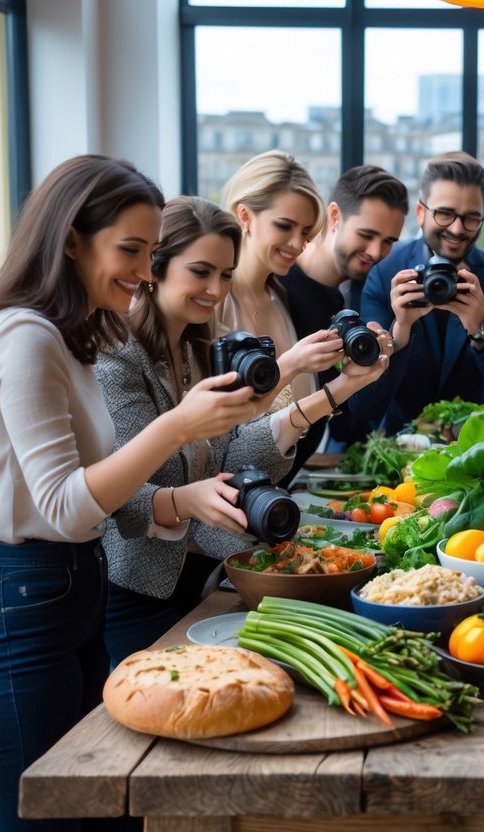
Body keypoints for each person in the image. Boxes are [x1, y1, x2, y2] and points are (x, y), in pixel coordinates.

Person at [0, 156, 261, 832]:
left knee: (106, 811)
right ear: (69, 238)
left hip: (70, 589)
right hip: (21, 602)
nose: (145, 271)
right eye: (130, 249)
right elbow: (65, 503)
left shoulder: (69, 336)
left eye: (151, 253)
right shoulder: (26, 336)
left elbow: (107, 497)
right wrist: (178, 425)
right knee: (51, 819)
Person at [97, 196, 390, 666]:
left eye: (225, 274)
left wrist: (340, 389)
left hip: (208, 577)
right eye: (201, 272)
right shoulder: (118, 361)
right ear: (155, 267)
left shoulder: (198, 348)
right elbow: (123, 497)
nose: (216, 289)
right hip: (139, 595)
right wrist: (186, 499)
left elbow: (235, 459)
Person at [349, 151, 484, 434]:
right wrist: (401, 331)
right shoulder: (385, 272)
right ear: (421, 213)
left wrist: (481, 330)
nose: (457, 229)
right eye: (445, 214)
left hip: (474, 448)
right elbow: (364, 407)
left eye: (472, 218)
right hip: (396, 449)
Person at [278, 164, 408, 465]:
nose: (376, 252)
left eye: (389, 241)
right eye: (367, 234)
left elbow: (351, 420)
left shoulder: (354, 299)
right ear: (334, 216)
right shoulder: (277, 286)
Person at [218, 150, 350, 430]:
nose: (296, 243)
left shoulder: (285, 299)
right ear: (244, 216)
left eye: (305, 233)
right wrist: (290, 365)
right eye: (284, 226)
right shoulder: (213, 300)